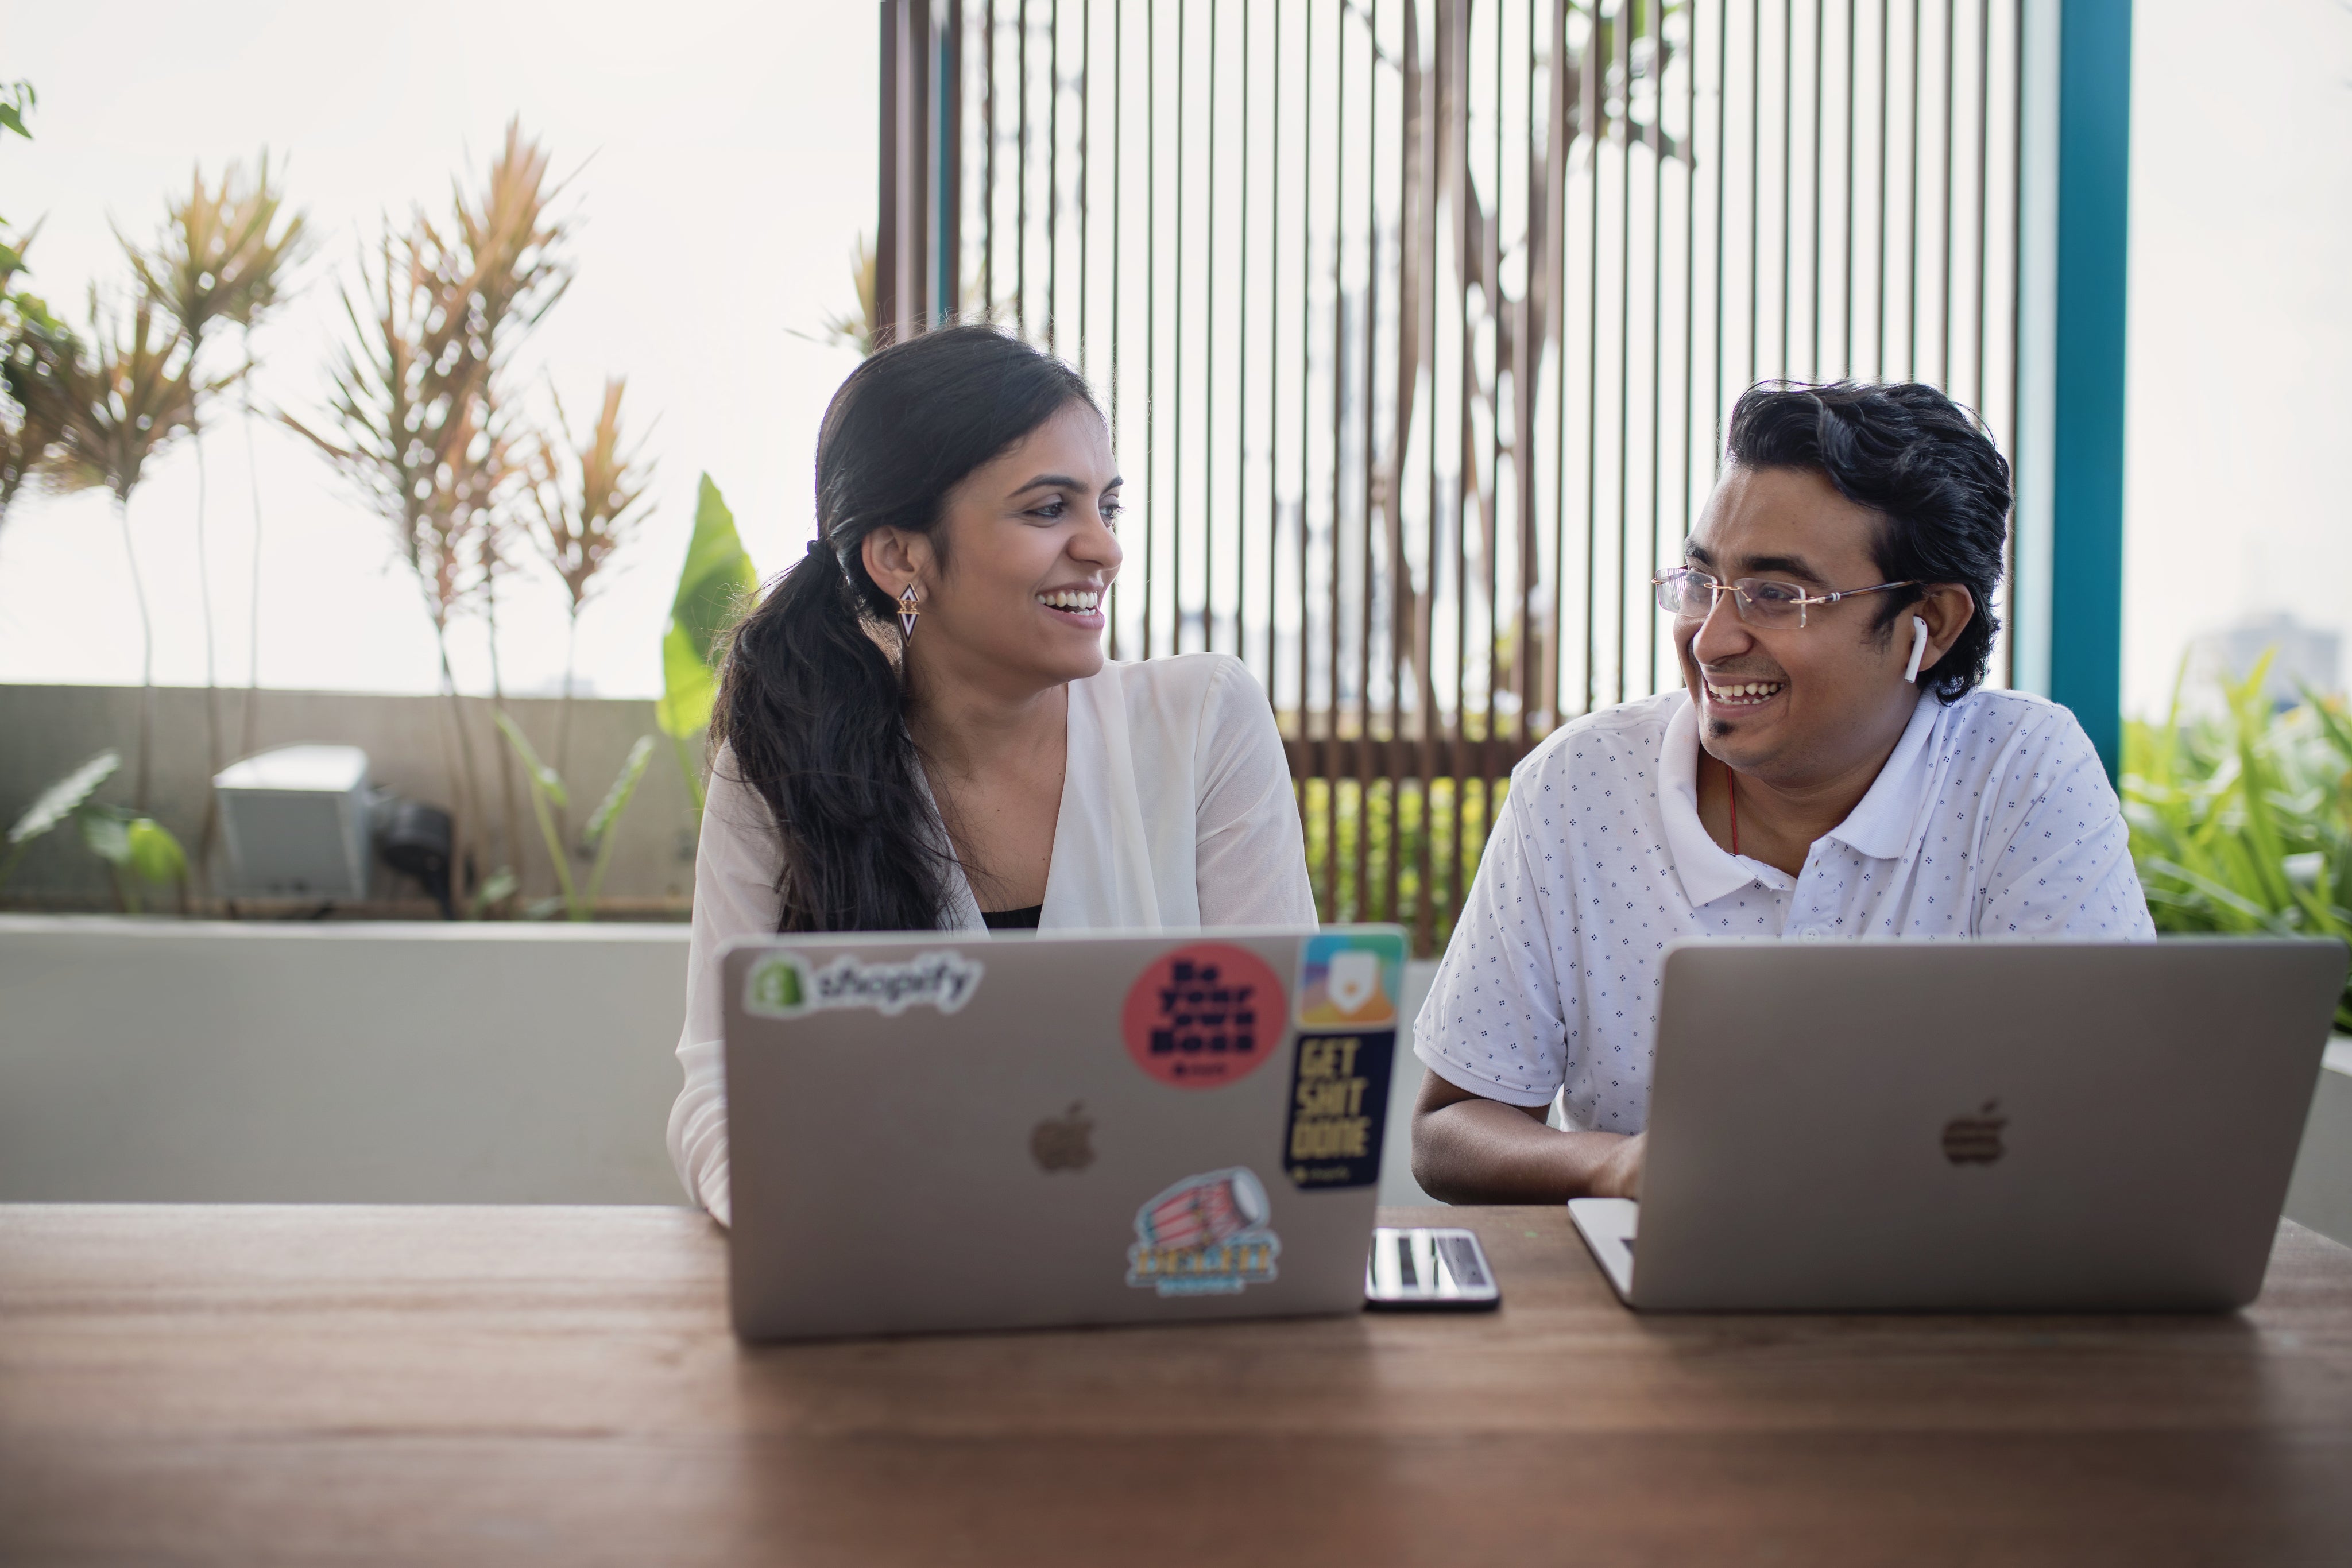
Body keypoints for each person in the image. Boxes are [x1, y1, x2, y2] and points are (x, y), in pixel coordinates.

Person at [1409, 380, 2156, 1205]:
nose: (1711, 639)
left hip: (1957, 1268)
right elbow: (1449, 1129)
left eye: (1776, 595)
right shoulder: (1580, 784)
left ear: (1932, 623)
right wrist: (1614, 1168)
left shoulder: (2020, 772)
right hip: (1656, 1273)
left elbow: (2110, 1115)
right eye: (1701, 582)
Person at [667, 325, 1317, 1223]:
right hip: (895, 1268)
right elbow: (720, 1090)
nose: (1104, 548)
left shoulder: (1202, 720)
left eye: (1108, 507)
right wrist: (811, 1228)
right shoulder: (785, 764)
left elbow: (1282, 1059)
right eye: (1049, 509)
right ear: (902, 558)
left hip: (1164, 1261)